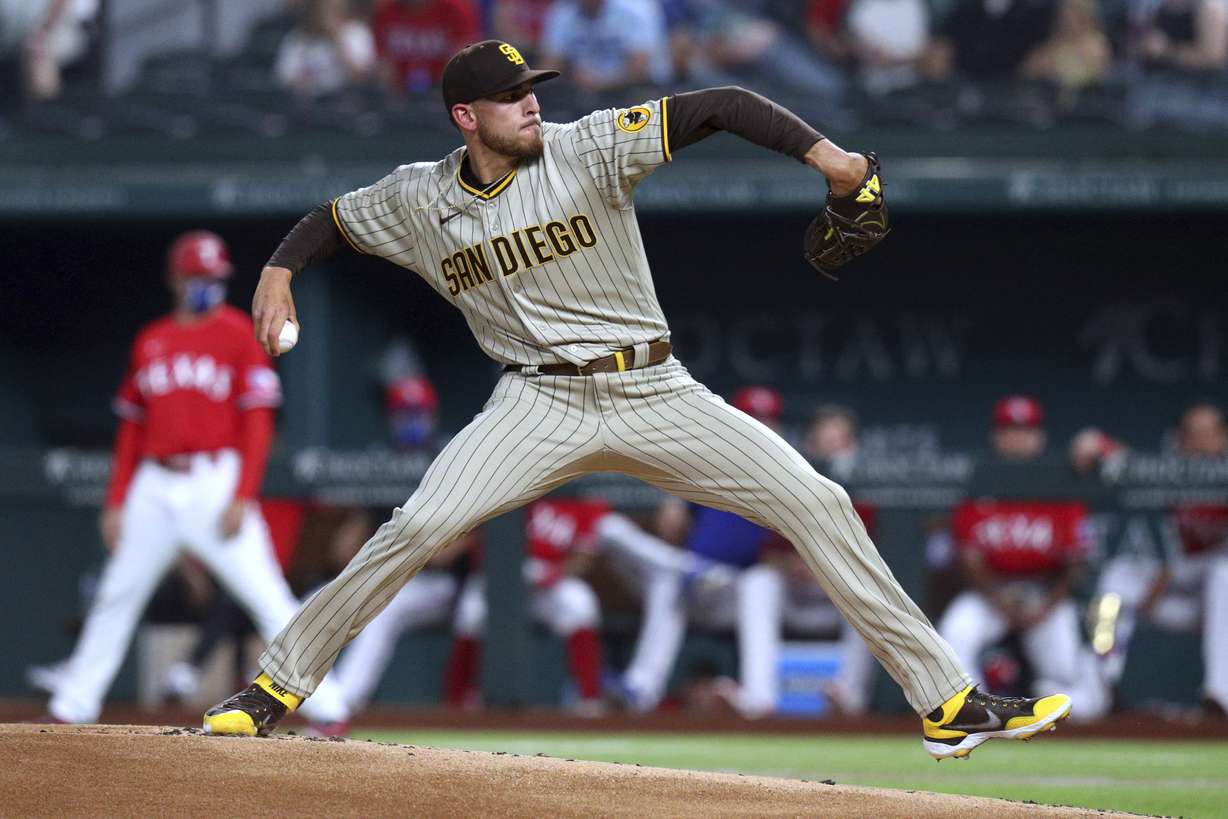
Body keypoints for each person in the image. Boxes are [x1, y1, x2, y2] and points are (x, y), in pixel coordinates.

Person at [204, 39, 1071, 760]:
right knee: (420, 528)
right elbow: (332, 220)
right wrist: (279, 271)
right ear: (465, 118)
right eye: (509, 98)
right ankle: (278, 683)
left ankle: (945, 701)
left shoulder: (585, 145)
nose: (531, 104)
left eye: (531, 89)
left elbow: (723, 103)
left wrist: (833, 160)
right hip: (534, 404)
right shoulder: (418, 197)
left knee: (819, 499)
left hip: (654, 386)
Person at [39, 231, 350, 732]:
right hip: (154, 486)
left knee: (266, 595)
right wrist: (116, 501)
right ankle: (72, 705)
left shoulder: (237, 334)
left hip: (215, 480)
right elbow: (131, 429)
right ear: (176, 278)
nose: (207, 285)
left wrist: (243, 494)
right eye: (198, 277)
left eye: (215, 277)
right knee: (117, 593)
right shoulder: (152, 340)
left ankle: (331, 708)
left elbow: (257, 422)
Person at [937, 396, 1109, 721]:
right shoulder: (978, 481)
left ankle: (1039, 709)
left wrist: (1048, 605)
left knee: (1069, 677)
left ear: (1039, 437)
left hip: (1046, 595)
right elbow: (970, 559)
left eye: (1026, 430)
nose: (1017, 438)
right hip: (991, 593)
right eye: (1009, 430)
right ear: (996, 436)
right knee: (955, 634)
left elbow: (1075, 563)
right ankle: (980, 713)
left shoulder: (1062, 483)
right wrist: (1000, 601)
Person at [1090, 402, 1228, 716]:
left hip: (1213, 600)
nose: (1201, 442)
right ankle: (1100, 683)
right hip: (1167, 588)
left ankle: (1221, 695)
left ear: (1223, 438)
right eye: (1193, 434)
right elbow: (1110, 452)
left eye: (1210, 434)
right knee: (1114, 582)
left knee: (1225, 574)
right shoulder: (1165, 469)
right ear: (1180, 439)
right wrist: (1091, 442)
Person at [445, 496, 608, 714]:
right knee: (471, 612)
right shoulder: (506, 487)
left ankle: (589, 699)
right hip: (498, 576)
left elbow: (584, 556)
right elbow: (476, 540)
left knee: (580, 603)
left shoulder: (577, 495)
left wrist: (557, 573)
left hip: (550, 581)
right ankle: (460, 700)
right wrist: (499, 572)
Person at [539, 0, 672, 95]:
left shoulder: (638, 7)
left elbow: (639, 68)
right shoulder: (563, 11)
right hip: (580, 90)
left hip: (635, 90)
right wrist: (573, 73)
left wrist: (602, 82)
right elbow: (549, 65)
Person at [372, 0, 480, 94]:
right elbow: (383, 63)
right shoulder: (385, 12)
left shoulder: (455, 9)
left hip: (445, 92)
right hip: (399, 93)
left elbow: (463, 58)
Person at [274, 0, 376, 98]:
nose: (328, 16)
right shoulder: (298, 38)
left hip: (346, 100)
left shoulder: (356, 32)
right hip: (309, 101)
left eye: (334, 10)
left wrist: (337, 39)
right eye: (325, 10)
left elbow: (360, 77)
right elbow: (285, 78)